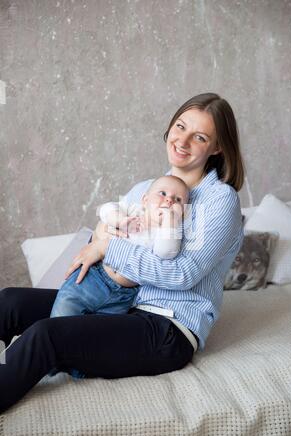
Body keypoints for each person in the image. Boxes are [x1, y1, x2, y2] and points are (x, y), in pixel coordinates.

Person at [0, 93, 244, 413]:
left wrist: (107, 246)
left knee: (47, 335)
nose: (182, 141)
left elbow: (182, 274)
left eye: (199, 137)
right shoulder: (145, 189)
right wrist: (103, 240)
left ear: (217, 147)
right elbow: (103, 234)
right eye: (180, 127)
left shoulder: (220, 200)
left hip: (167, 328)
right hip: (119, 302)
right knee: (10, 302)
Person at [50, 175, 189, 319]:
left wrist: (170, 221)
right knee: (64, 313)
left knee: (96, 333)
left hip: (125, 295)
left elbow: (166, 252)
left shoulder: (169, 233)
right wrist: (119, 219)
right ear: (145, 200)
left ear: (182, 213)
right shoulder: (134, 210)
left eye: (178, 200)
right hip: (95, 276)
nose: (169, 200)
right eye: (163, 193)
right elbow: (106, 208)